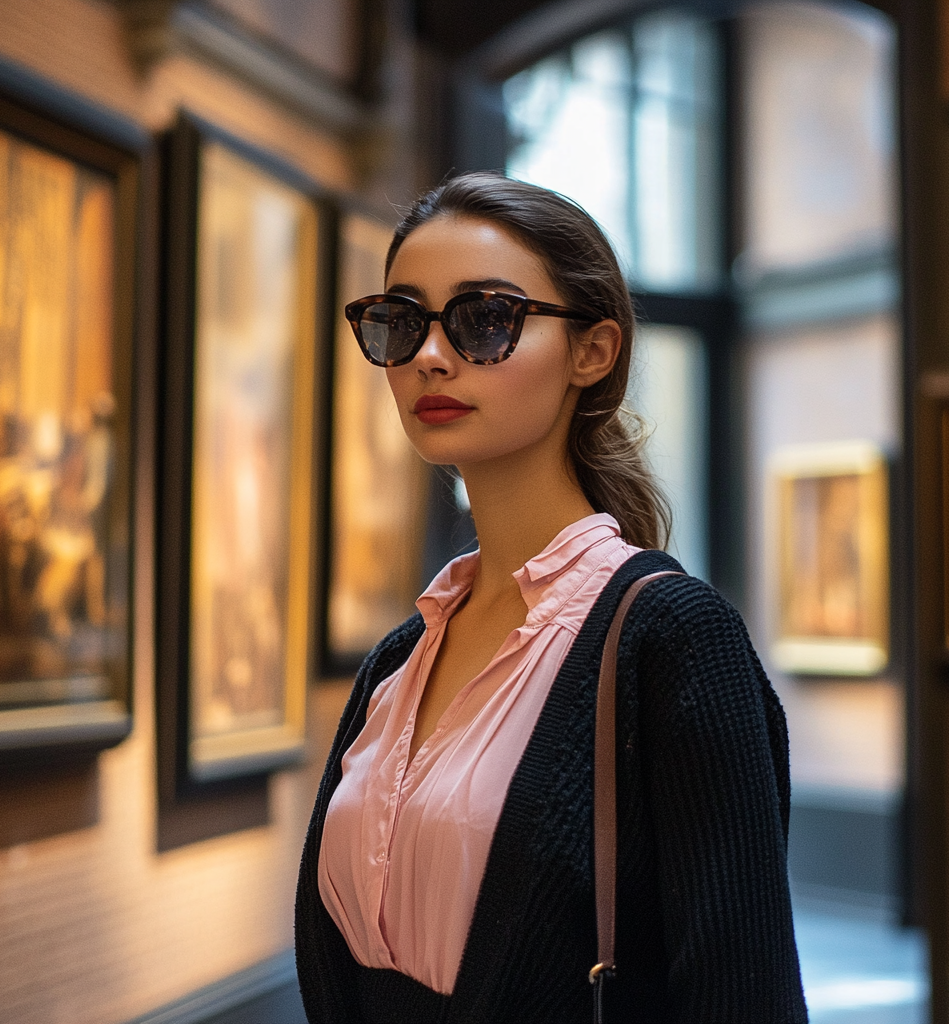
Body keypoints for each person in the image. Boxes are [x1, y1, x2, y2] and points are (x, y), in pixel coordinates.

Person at [295, 172, 808, 1023]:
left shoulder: (672, 639)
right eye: (402, 320)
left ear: (592, 352)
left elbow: (744, 993)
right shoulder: (400, 658)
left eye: (484, 319)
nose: (429, 355)